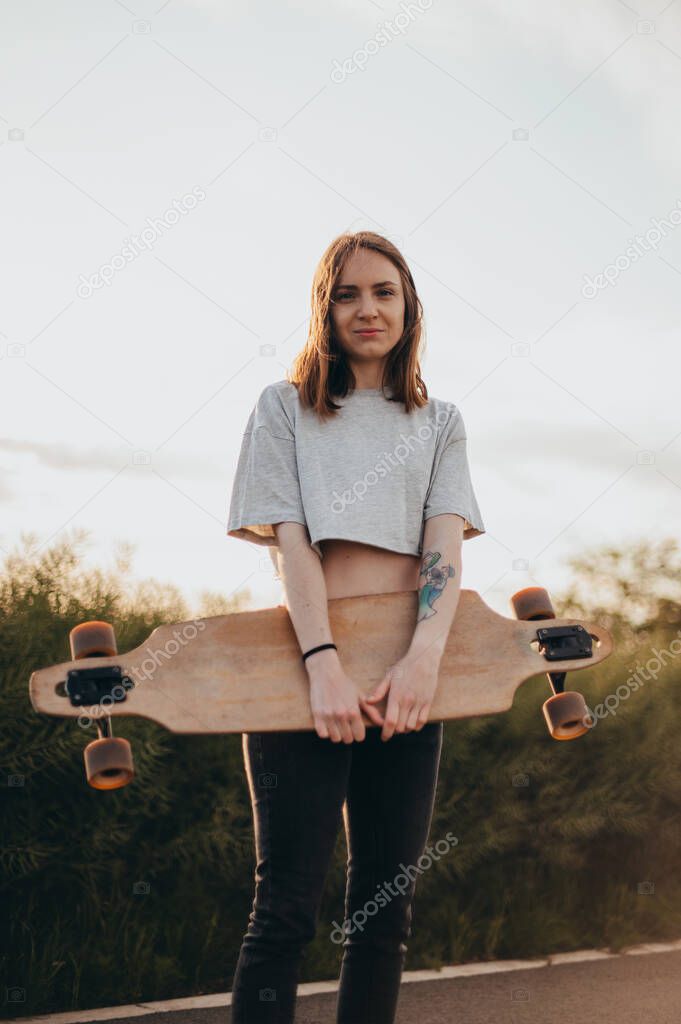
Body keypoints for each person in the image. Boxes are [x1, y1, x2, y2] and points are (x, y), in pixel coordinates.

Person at [226, 231, 485, 1023]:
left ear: (408, 309)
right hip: (302, 672)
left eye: (383, 292)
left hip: (407, 679)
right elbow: (291, 544)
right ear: (324, 308)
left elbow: (441, 548)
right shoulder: (285, 406)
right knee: (284, 913)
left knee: (383, 917)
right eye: (347, 293)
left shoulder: (438, 421)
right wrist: (322, 663)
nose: (366, 308)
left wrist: (421, 665)